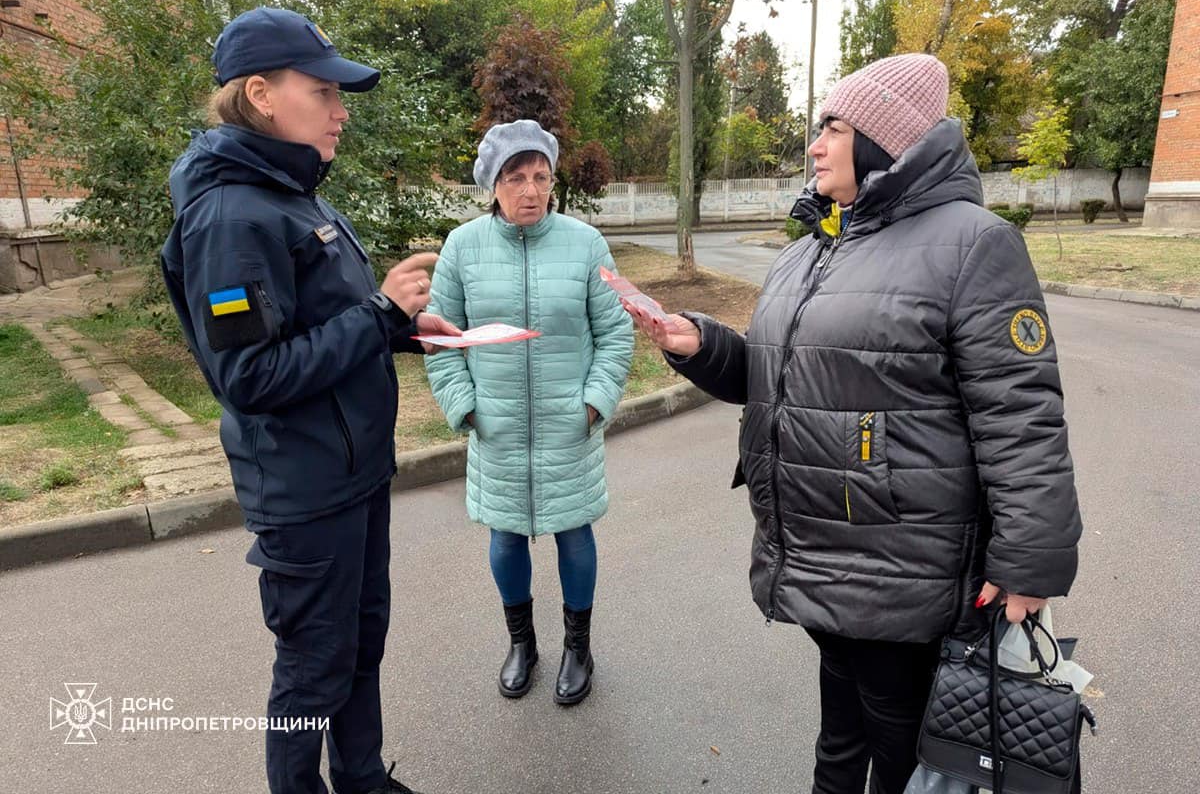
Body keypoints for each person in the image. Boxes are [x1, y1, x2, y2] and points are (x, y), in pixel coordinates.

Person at [625, 54, 1084, 794]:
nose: (814, 145)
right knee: (840, 739)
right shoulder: (812, 249)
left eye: (832, 128)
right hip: (818, 555)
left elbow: (1022, 417)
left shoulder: (975, 244)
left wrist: (1029, 562)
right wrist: (701, 345)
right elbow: (783, 386)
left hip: (901, 568)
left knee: (902, 747)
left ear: (881, 139)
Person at [159, 7, 460, 794]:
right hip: (305, 492)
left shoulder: (294, 194)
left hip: (353, 473)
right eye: (323, 91)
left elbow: (324, 326)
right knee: (312, 671)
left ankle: (360, 777)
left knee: (360, 644)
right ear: (261, 94)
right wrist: (379, 313)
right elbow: (250, 377)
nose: (341, 108)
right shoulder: (231, 214)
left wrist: (405, 330)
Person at [424, 120, 633, 705]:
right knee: (506, 537)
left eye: (540, 176)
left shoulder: (585, 243)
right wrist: (465, 408)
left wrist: (595, 404)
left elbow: (616, 333)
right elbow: (439, 339)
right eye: (515, 177)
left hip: (571, 424)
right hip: (498, 430)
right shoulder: (462, 248)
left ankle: (577, 646)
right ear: (492, 184)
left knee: (575, 532)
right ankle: (521, 644)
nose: (530, 190)